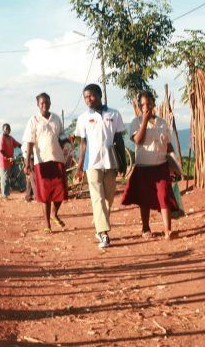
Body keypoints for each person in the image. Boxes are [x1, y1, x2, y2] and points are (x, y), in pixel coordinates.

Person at [121, 91, 182, 239]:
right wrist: (144, 121)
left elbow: (168, 145)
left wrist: (175, 164)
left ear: (154, 104)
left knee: (164, 196)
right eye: (143, 104)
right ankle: (145, 228)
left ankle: (167, 230)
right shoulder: (136, 122)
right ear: (139, 106)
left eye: (149, 103)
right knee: (144, 198)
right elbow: (138, 141)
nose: (146, 107)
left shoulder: (162, 123)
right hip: (143, 166)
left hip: (160, 165)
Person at [74, 84, 126, 249]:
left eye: (91, 96)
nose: (88, 100)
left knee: (108, 199)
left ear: (99, 95)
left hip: (110, 163)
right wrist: (80, 167)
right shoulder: (83, 118)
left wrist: (123, 162)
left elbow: (119, 139)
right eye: (85, 97)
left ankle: (98, 223)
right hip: (92, 164)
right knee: (97, 198)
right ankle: (103, 233)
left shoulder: (114, 114)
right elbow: (82, 144)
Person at [23, 93, 68, 232]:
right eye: (42, 103)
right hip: (41, 161)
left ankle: (54, 212)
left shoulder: (56, 119)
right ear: (38, 105)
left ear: (50, 102)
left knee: (61, 191)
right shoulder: (34, 120)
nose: (44, 105)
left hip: (58, 159)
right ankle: (47, 224)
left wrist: (67, 146)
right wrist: (27, 162)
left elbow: (62, 136)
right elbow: (30, 142)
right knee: (45, 195)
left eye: (46, 102)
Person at [0, 124, 22, 199]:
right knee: (4, 177)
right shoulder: (1, 137)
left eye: (9, 129)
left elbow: (17, 144)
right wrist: (8, 157)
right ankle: (4, 195)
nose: (7, 130)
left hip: (10, 160)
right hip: (3, 160)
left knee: (9, 176)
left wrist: (25, 147)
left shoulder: (10, 138)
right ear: (3, 130)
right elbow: (1, 150)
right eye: (6, 129)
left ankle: (8, 193)